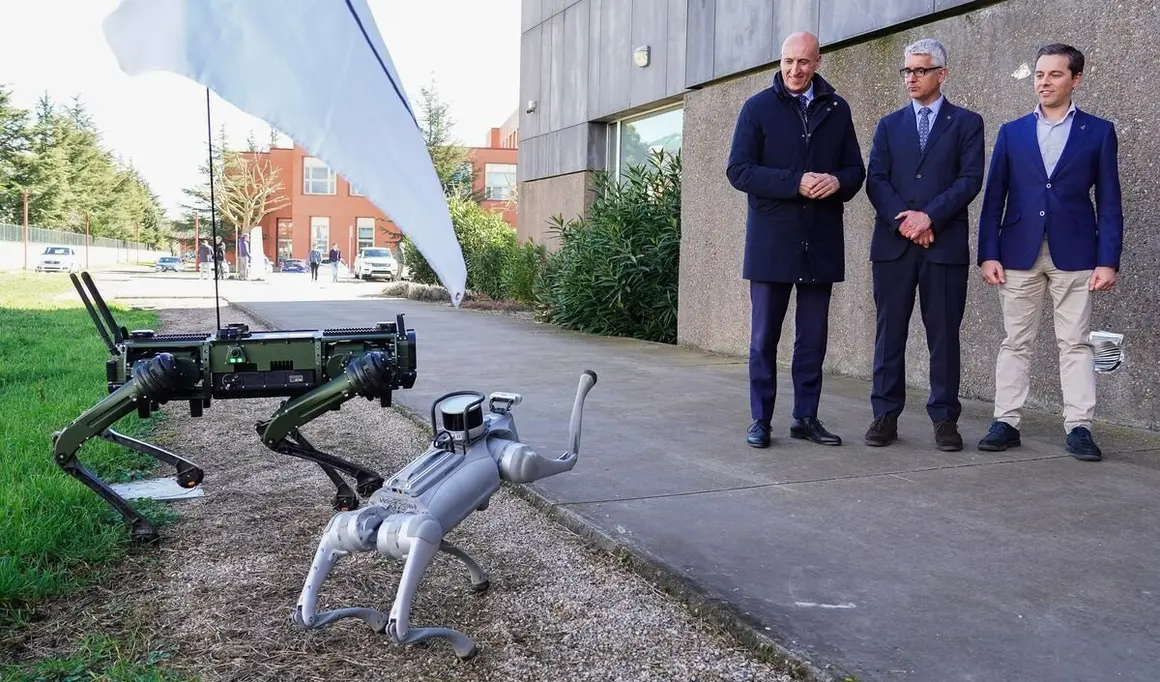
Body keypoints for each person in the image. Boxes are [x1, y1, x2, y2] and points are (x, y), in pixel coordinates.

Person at [976, 43, 1123, 462]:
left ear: (1075, 79)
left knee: (1075, 343)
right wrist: (988, 253)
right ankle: (1006, 421)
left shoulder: (1097, 132)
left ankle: (1079, 427)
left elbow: (1110, 202)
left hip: (1076, 253)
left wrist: (1107, 259)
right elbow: (994, 200)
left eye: (1055, 75)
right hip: (1017, 252)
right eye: (1040, 74)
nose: (1044, 82)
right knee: (1015, 342)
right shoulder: (1012, 132)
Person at [726, 31, 866, 449]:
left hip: (819, 242)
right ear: (780, 61)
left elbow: (856, 171)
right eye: (788, 61)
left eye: (803, 62)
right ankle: (760, 419)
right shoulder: (757, 108)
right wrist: (795, 182)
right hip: (772, 243)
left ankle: (805, 417)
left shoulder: (838, 109)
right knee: (763, 337)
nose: (794, 70)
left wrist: (835, 180)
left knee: (812, 339)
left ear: (818, 62)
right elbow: (738, 171)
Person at [863, 38, 985, 451]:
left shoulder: (967, 123)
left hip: (944, 246)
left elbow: (969, 180)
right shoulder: (888, 125)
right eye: (907, 71)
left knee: (945, 336)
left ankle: (945, 419)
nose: (911, 78)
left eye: (919, 70)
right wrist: (907, 223)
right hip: (894, 247)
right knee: (888, 333)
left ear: (941, 74)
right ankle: (884, 414)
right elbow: (875, 179)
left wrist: (929, 217)